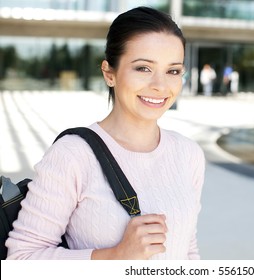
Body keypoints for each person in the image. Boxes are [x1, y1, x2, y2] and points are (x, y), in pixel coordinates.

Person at [6, 7, 205, 260]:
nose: (160, 86)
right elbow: (22, 258)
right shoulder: (73, 155)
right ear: (109, 73)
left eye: (173, 71)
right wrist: (114, 256)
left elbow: (188, 250)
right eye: (143, 68)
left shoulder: (188, 154)